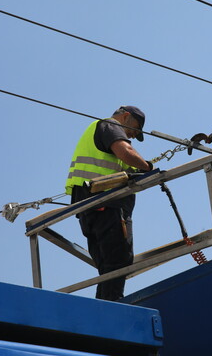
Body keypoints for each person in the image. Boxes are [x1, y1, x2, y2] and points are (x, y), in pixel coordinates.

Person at [65, 106, 153, 301]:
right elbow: (126, 151)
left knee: (107, 265)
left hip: (89, 209)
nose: (131, 134)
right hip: (106, 204)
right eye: (134, 129)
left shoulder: (98, 133)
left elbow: (121, 162)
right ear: (126, 116)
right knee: (119, 259)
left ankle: (103, 307)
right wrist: (148, 167)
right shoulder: (110, 125)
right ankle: (111, 307)